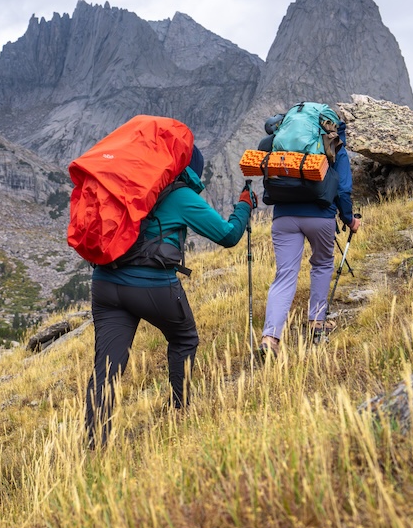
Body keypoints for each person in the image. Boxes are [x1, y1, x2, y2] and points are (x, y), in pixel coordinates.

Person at [84, 143, 253, 449]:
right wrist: (244, 205)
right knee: (184, 338)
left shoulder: (123, 184)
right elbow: (228, 236)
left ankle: (94, 447)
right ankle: (181, 409)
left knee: (106, 368)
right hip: (153, 286)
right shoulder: (180, 196)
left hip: (105, 284)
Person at [257, 111, 360, 354]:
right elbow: (343, 190)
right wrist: (349, 220)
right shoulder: (334, 142)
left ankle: (270, 338)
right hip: (320, 216)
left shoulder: (283, 140)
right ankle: (317, 323)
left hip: (283, 216)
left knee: (284, 275)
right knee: (322, 264)